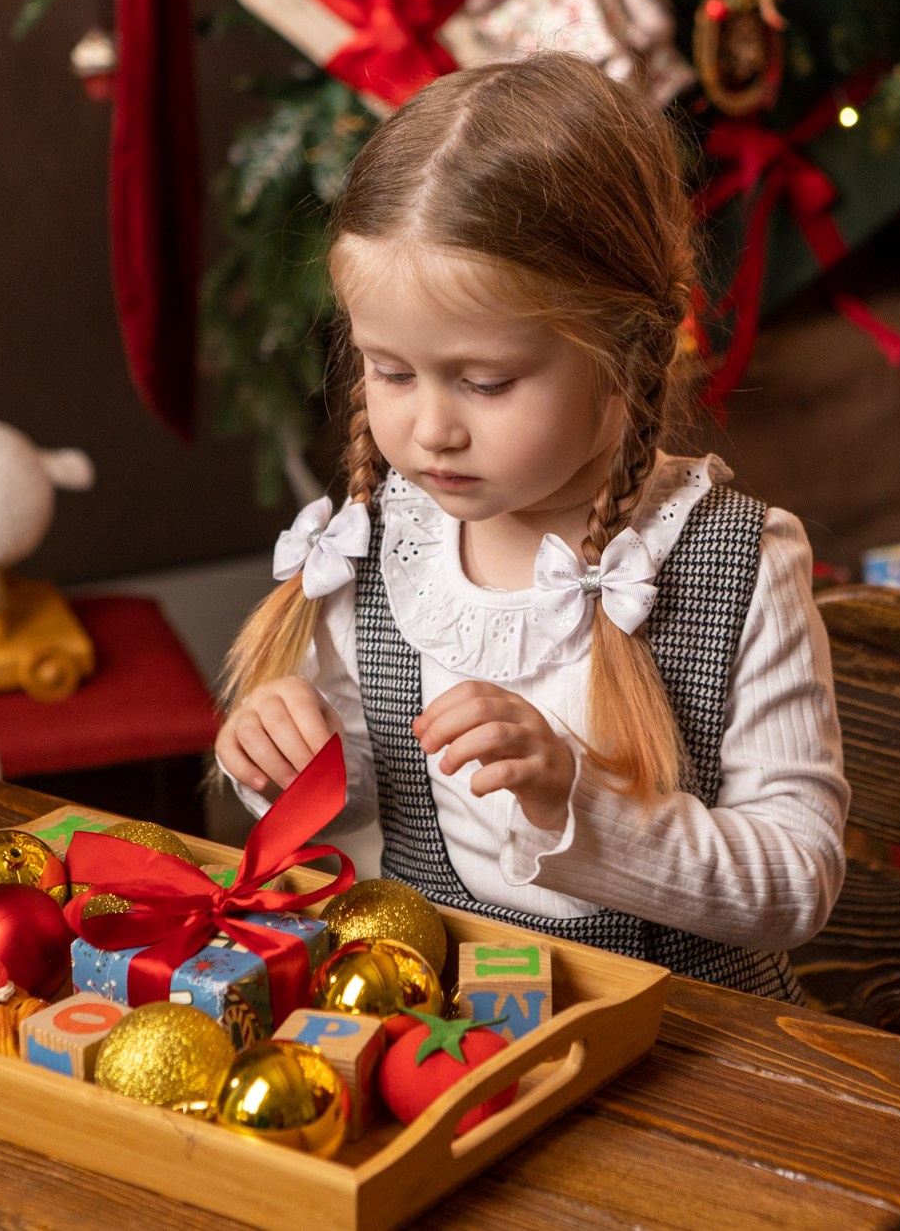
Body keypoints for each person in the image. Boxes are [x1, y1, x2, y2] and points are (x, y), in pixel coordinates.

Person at [214, 52, 847, 1000]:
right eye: (391, 372)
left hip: (692, 1052)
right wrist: (288, 755)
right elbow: (366, 794)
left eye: (486, 382)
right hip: (442, 1020)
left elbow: (798, 881)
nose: (431, 428)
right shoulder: (390, 543)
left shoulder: (736, 558)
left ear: (627, 349)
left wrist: (573, 801)